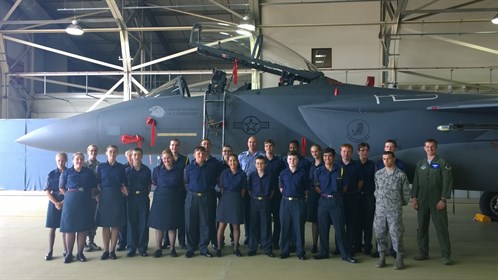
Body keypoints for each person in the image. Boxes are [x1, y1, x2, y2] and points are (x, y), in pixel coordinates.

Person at [411, 138, 453, 265]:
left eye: (432, 147)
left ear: (436, 148)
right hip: (422, 200)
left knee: (441, 228)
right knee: (422, 228)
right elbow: (416, 182)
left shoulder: (443, 163)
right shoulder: (420, 164)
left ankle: (446, 256)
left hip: (437, 200)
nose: (430, 149)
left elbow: (447, 182)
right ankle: (423, 252)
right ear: (424, 148)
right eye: (427, 147)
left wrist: (443, 199)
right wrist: (414, 198)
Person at [312, 147, 357, 264]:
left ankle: (345, 254)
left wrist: (337, 195)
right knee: (323, 228)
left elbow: (345, 186)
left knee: (340, 228)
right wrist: (323, 194)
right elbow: (316, 186)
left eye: (330, 156)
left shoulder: (341, 170)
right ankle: (323, 252)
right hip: (323, 202)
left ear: (334, 157)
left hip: (337, 201)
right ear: (323, 157)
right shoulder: (318, 171)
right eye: (325, 156)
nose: (327, 158)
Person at [374, 151, 411, 269]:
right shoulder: (378, 174)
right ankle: (382, 257)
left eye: (388, 159)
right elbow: (376, 190)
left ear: (394, 159)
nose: (386, 161)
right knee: (380, 233)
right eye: (384, 159)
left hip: (394, 209)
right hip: (380, 210)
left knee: (396, 233)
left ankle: (399, 259)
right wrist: (380, 202)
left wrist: (399, 204)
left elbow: (406, 193)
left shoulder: (401, 175)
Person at [59, 152, 98, 263]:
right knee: (70, 228)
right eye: (77, 159)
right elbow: (61, 187)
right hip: (70, 201)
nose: (79, 161)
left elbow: (94, 187)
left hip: (85, 201)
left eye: (81, 159)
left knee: (82, 228)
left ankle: (80, 253)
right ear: (72, 160)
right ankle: (69, 254)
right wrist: (70, 195)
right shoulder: (67, 172)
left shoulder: (89, 172)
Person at [184, 146, 219, 258]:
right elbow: (185, 182)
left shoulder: (210, 168)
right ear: (194, 155)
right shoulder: (188, 168)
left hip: (206, 198)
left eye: (202, 153)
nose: (200, 155)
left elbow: (214, 181)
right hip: (192, 198)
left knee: (205, 224)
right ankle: (191, 248)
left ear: (205, 155)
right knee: (190, 224)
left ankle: (204, 248)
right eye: (198, 153)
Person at [95, 145, 128, 260]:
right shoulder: (100, 167)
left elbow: (123, 183)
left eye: (114, 152)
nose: (112, 153)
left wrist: (125, 191)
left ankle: (112, 251)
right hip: (104, 197)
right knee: (105, 225)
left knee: (115, 225)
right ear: (106, 152)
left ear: (117, 153)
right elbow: (97, 182)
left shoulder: (121, 168)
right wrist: (99, 195)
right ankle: (105, 250)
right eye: (110, 151)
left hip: (117, 197)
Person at [149, 149, 184, 258]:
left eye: (168, 158)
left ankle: (172, 249)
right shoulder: (157, 170)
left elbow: (181, 184)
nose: (166, 160)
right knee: (158, 225)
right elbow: (154, 181)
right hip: (159, 199)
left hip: (173, 200)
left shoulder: (179, 171)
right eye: (164, 158)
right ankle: (158, 249)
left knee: (172, 226)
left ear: (172, 158)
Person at [279, 151, 308, 260]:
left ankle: (300, 251)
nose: (292, 161)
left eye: (294, 159)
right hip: (286, 202)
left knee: (299, 227)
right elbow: (281, 188)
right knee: (285, 226)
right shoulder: (283, 173)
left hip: (298, 202)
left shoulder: (302, 173)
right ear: (287, 160)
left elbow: (306, 189)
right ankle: (284, 251)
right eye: (290, 159)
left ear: (298, 161)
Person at [216, 154, 246, 257]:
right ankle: (219, 248)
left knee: (236, 225)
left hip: (236, 199)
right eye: (230, 161)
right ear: (228, 162)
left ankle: (235, 248)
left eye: (234, 161)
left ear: (237, 162)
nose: (232, 163)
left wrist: (236, 197)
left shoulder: (242, 174)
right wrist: (226, 197)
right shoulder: (224, 173)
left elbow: (243, 190)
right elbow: (222, 188)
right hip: (225, 199)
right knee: (221, 225)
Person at [162, 138, 189, 250]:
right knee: (167, 217)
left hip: (181, 193)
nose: (174, 147)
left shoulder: (185, 159)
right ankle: (166, 241)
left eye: (176, 145)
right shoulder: (165, 158)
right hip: (168, 194)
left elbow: (186, 176)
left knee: (181, 218)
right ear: (170, 146)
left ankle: (182, 242)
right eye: (172, 145)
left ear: (179, 147)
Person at [125, 147, 151, 257]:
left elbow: (149, 185)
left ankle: (142, 248)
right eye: (134, 155)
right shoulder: (126, 171)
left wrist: (143, 194)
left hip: (143, 198)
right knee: (131, 223)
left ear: (142, 156)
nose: (136, 157)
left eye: (138, 155)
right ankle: (131, 248)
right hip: (130, 198)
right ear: (131, 156)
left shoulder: (147, 170)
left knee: (143, 223)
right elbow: (124, 185)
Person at [238, 135, 265, 245]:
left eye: (254, 142)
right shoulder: (241, 156)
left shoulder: (262, 156)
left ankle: (258, 237)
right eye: (250, 142)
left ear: (256, 143)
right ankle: (248, 236)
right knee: (247, 215)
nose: (252, 144)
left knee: (258, 215)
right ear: (247, 143)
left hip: (258, 189)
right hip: (246, 189)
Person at [247, 156, 275, 257]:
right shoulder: (252, 175)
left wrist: (265, 198)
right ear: (255, 165)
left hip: (265, 202)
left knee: (266, 225)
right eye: (258, 163)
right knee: (253, 225)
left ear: (265, 164)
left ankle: (267, 248)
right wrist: (255, 197)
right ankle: (252, 248)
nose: (260, 165)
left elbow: (272, 190)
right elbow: (249, 189)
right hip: (254, 202)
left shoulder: (270, 176)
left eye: (262, 163)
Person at [339, 143, 363, 254]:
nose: (346, 153)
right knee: (339, 223)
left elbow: (361, 180)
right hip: (339, 198)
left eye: (348, 151)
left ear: (352, 153)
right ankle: (339, 247)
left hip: (352, 197)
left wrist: (355, 190)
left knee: (351, 224)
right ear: (340, 152)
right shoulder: (336, 165)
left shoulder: (357, 165)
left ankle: (350, 247)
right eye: (344, 151)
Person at [44, 152, 68, 261]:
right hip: (54, 202)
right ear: (56, 161)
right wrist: (56, 203)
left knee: (65, 228)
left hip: (67, 201)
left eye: (63, 160)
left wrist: (63, 202)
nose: (61, 162)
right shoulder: (51, 174)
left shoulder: (70, 173)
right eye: (59, 160)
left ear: (66, 160)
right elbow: (48, 191)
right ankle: (50, 251)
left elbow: (72, 190)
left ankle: (66, 251)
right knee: (52, 228)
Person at [200, 138, 221, 249]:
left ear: (210, 146)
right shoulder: (196, 162)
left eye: (208, 144)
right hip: (198, 195)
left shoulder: (215, 162)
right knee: (200, 220)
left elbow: (218, 178)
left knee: (211, 218)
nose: (206, 146)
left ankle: (213, 240)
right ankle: (201, 242)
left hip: (210, 194)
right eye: (204, 144)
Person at [264, 139, 285, 249]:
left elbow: (283, 177)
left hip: (277, 196)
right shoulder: (261, 161)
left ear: (273, 147)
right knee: (265, 221)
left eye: (270, 146)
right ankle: (266, 242)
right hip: (265, 195)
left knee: (277, 220)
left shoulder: (279, 161)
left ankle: (275, 242)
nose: (269, 148)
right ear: (264, 148)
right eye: (267, 146)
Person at [357, 142, 376, 256]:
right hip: (357, 197)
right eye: (362, 150)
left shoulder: (372, 165)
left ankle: (367, 246)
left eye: (366, 150)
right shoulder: (354, 165)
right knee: (357, 222)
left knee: (368, 223)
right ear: (358, 152)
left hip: (369, 196)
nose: (364, 152)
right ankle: (358, 245)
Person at [83, 144, 102, 252]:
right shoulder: (83, 165)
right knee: (85, 219)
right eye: (91, 151)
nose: (93, 152)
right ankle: (84, 243)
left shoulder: (100, 165)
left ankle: (91, 241)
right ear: (88, 151)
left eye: (95, 150)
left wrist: (99, 194)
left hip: (96, 198)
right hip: (85, 198)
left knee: (94, 220)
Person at [307, 144, 322, 254]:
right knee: (314, 221)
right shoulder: (310, 165)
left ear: (320, 151)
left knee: (324, 220)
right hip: (313, 194)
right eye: (312, 152)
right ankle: (314, 244)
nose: (314, 153)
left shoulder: (326, 164)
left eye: (316, 151)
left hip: (324, 194)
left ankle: (324, 245)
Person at [117, 149, 133, 252]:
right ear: (126, 157)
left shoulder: (140, 167)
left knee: (133, 221)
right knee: (123, 221)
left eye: (133, 155)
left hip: (135, 198)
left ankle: (133, 242)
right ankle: (122, 243)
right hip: (123, 198)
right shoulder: (122, 168)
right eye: (129, 155)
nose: (132, 157)